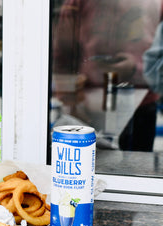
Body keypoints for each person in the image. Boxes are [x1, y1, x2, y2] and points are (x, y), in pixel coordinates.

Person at [53, 0, 163, 151]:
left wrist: (136, 69)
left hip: (140, 105)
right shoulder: (78, 2)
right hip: (88, 106)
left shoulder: (156, 4)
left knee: (135, 166)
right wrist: (69, 98)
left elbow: (159, 59)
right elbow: (62, 53)